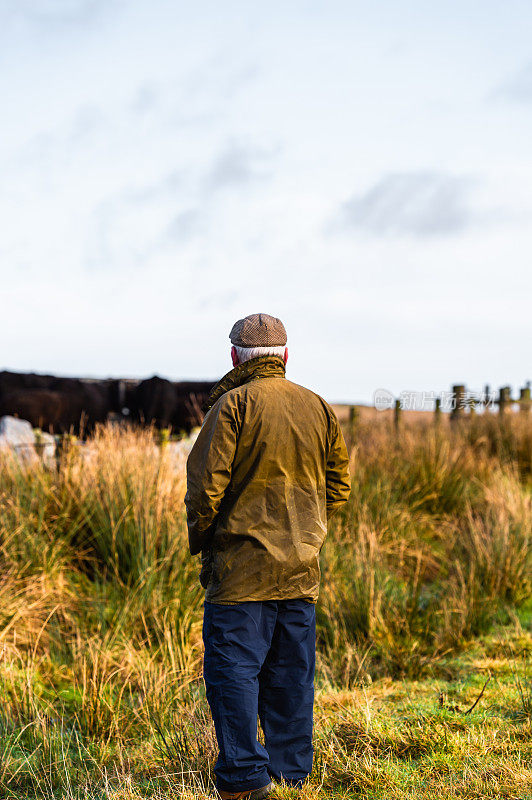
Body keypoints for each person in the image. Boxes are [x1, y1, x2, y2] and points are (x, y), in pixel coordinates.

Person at [185, 313, 351, 800]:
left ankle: (243, 779)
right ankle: (291, 774)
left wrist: (206, 542)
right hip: (302, 571)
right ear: (284, 357)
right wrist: (308, 534)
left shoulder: (231, 406)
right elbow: (338, 486)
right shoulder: (318, 406)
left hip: (241, 575)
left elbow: (203, 493)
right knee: (291, 675)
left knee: (233, 671)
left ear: (235, 356)